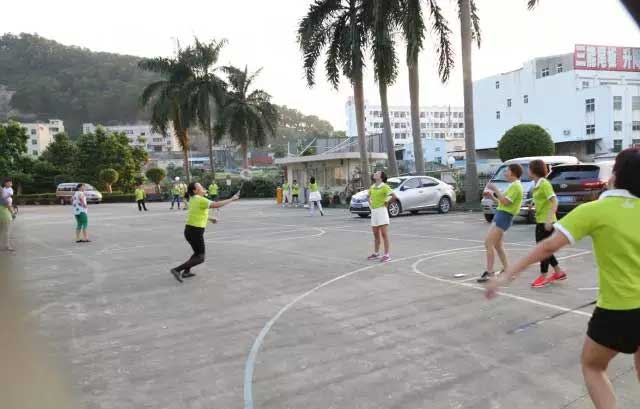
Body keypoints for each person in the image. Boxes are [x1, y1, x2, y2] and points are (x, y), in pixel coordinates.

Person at [486, 148, 640, 409]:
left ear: (617, 175)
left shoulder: (596, 210)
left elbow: (548, 247)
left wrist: (507, 275)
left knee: (592, 366)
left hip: (618, 309)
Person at [170, 183, 239, 283]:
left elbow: (197, 213)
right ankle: (177, 270)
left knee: (197, 253)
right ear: (195, 191)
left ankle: (186, 272)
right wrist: (232, 199)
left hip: (190, 230)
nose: (203, 187)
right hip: (195, 231)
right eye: (200, 187)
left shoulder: (193, 199)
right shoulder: (200, 199)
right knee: (200, 257)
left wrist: (210, 218)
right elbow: (216, 204)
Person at [477, 163, 524, 282]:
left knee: (488, 243)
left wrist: (495, 189)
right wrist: (492, 197)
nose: (505, 173)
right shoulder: (513, 185)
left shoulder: (516, 186)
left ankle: (490, 272)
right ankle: (507, 270)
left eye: (507, 171)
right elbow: (502, 202)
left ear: (513, 172)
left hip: (503, 216)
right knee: (497, 245)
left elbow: (505, 202)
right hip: (501, 215)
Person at [528, 159, 567, 288]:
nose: (528, 171)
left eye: (529, 169)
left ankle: (543, 276)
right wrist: (533, 203)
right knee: (545, 249)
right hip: (541, 220)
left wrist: (549, 220)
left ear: (534, 170)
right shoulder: (537, 184)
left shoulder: (544, 183)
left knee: (542, 249)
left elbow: (554, 201)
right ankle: (559, 272)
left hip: (546, 222)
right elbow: (542, 199)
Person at [367, 171, 398, 263]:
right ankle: (376, 253)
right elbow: (368, 196)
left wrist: (386, 202)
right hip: (374, 212)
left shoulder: (384, 186)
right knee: (376, 234)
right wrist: (370, 202)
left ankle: (387, 255)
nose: (375, 174)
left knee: (384, 234)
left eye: (377, 173)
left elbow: (394, 196)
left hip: (382, 211)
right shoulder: (372, 187)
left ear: (381, 177)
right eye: (375, 173)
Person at [0, 179, 16, 251]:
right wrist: (13, 213)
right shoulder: (3, 199)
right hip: (5, 216)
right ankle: (7, 245)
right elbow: (8, 206)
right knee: (6, 231)